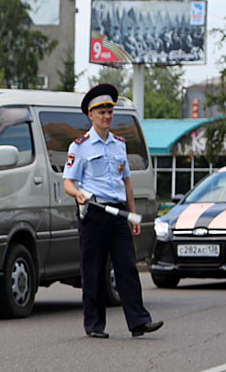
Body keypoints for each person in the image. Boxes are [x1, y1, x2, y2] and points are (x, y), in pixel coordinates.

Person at [63, 83, 163, 339]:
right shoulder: (80, 146)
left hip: (118, 212)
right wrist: (78, 194)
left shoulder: (119, 144)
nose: (107, 116)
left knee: (127, 266)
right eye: (101, 112)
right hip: (94, 212)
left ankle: (138, 321)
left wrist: (132, 214)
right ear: (91, 115)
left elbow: (126, 182)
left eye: (109, 112)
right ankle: (95, 325)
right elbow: (68, 183)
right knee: (94, 269)